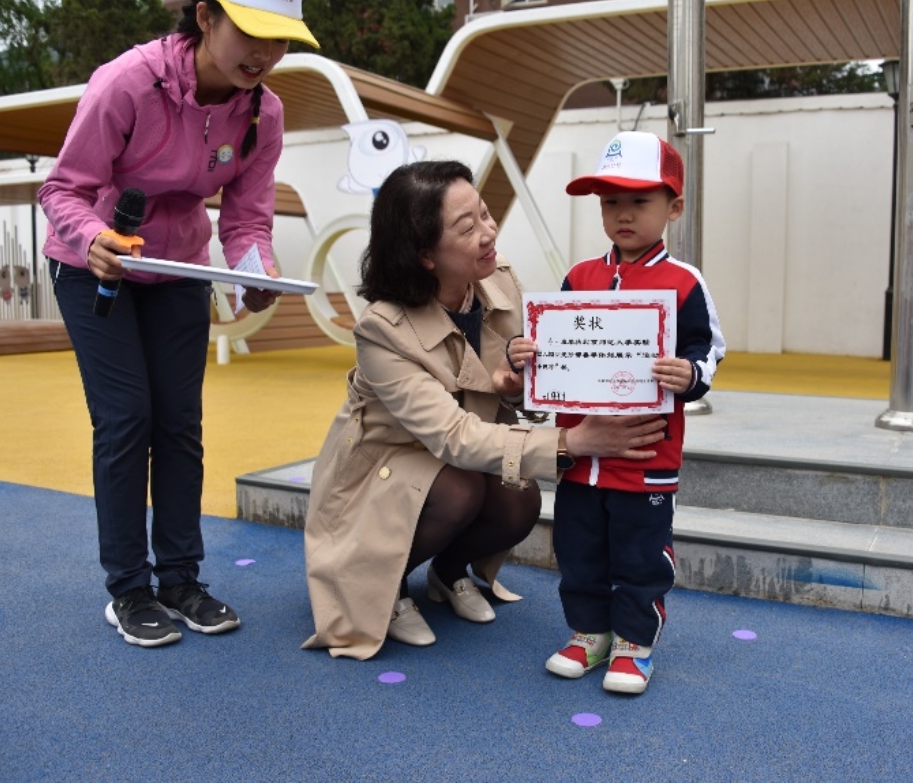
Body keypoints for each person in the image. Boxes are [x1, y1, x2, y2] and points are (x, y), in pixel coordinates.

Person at [301, 160, 667, 661]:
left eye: (485, 214)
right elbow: (452, 436)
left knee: (519, 499)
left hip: (459, 454)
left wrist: (517, 388)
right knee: (460, 489)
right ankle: (382, 586)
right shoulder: (381, 329)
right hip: (385, 468)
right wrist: (573, 442)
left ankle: (448, 573)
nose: (489, 232)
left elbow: (524, 382)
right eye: (467, 227)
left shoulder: (498, 281)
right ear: (424, 254)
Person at [38, 0, 319, 648]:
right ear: (205, 17)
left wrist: (256, 276)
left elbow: (246, 221)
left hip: (179, 269)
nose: (265, 54)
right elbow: (62, 189)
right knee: (126, 419)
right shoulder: (129, 82)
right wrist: (93, 239)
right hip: (95, 264)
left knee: (179, 425)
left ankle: (180, 581)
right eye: (252, 33)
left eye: (281, 39)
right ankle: (129, 590)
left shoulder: (264, 112)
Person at [541, 131, 726, 694]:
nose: (623, 214)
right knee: (578, 550)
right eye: (610, 201)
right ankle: (589, 633)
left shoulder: (684, 281)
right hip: (580, 458)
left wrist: (690, 374)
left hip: (647, 457)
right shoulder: (578, 277)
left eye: (639, 200)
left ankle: (633, 644)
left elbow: (709, 350)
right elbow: (555, 349)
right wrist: (525, 354)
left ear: (674, 207)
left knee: (640, 555)